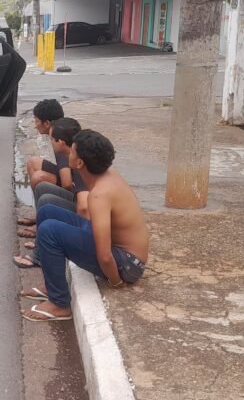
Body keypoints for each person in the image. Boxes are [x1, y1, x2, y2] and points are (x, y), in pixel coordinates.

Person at [19, 130, 150, 322]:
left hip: (127, 264)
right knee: (47, 211)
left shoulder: (99, 194)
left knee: (49, 231)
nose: (68, 155)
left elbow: (104, 256)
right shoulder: (108, 174)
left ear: (80, 163)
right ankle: (52, 285)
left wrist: (115, 282)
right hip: (120, 252)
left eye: (72, 152)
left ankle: (59, 304)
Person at [13, 118, 88, 268]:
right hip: (78, 200)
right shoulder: (70, 152)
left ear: (61, 142)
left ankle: (39, 257)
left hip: (86, 212)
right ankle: (41, 238)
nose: (50, 142)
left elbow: (83, 206)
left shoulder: (76, 160)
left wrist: (74, 227)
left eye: (51, 139)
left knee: (47, 201)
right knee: (42, 189)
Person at [25, 99, 67, 190]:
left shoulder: (59, 141)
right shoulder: (62, 130)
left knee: (38, 177)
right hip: (68, 173)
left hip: (73, 182)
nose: (35, 125)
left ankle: (43, 201)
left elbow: (67, 182)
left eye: (36, 121)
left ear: (47, 123)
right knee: (32, 162)